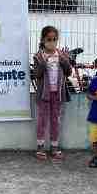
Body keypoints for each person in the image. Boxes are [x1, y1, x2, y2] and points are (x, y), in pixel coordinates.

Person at [32, 26, 73, 162]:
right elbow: (36, 74)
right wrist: (43, 63)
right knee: (42, 120)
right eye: (49, 39)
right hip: (44, 94)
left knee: (55, 120)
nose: (52, 42)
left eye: (54, 39)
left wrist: (65, 61)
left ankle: (54, 147)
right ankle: (40, 147)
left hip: (58, 93)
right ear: (43, 40)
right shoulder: (38, 56)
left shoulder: (61, 55)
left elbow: (68, 72)